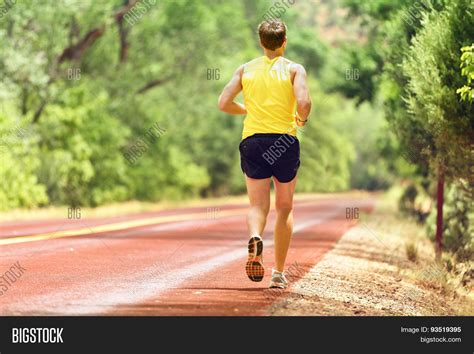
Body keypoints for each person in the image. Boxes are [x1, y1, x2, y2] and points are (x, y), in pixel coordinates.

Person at [218, 19, 311, 289]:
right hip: (284, 141)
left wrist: (247, 110)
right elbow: (303, 103)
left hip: (254, 141)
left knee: (258, 206)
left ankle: (256, 235)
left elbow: (223, 102)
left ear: (261, 43)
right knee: (284, 208)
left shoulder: (245, 69)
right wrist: (301, 120)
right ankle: (278, 274)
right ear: (284, 41)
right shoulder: (294, 69)